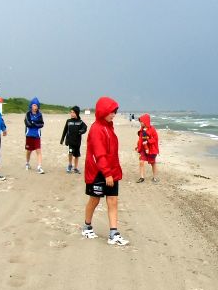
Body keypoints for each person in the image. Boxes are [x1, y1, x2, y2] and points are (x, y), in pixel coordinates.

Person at [82, 96, 129, 246]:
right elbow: (99, 154)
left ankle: (113, 233)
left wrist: (112, 172)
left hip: (111, 170)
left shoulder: (109, 127)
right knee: (94, 200)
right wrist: (107, 173)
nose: (113, 114)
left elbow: (112, 153)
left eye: (114, 112)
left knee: (113, 200)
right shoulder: (96, 129)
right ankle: (87, 226)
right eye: (111, 112)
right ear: (103, 111)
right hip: (98, 172)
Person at [59, 106, 87, 174]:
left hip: (77, 142)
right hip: (70, 141)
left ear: (77, 113)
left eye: (73, 112)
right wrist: (62, 139)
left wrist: (81, 131)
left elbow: (85, 128)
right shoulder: (68, 121)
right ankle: (70, 165)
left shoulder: (80, 122)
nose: (72, 114)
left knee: (76, 155)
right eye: (71, 112)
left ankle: (75, 168)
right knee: (70, 153)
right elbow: (65, 130)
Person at [135, 113, 159, 183]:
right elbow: (141, 139)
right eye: (140, 122)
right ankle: (142, 177)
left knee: (153, 163)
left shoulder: (152, 129)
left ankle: (154, 177)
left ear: (146, 121)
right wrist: (138, 146)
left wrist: (148, 141)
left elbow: (155, 139)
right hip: (143, 148)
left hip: (151, 149)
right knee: (141, 162)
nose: (141, 123)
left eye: (141, 122)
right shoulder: (142, 129)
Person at [24, 97, 45, 173]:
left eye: (36, 105)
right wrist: (35, 124)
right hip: (29, 135)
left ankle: (39, 167)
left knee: (38, 151)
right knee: (29, 151)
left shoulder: (39, 115)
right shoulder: (28, 114)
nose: (35, 107)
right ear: (31, 106)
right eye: (34, 105)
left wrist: (34, 123)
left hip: (37, 135)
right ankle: (27, 163)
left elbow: (41, 124)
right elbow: (28, 123)